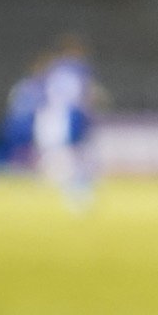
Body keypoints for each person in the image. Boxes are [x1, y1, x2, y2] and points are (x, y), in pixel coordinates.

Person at [32, 35, 101, 208]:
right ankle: (77, 192)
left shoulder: (53, 68)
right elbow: (85, 93)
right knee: (79, 154)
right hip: (74, 114)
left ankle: (66, 186)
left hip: (53, 114)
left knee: (62, 154)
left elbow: (42, 92)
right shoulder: (79, 68)